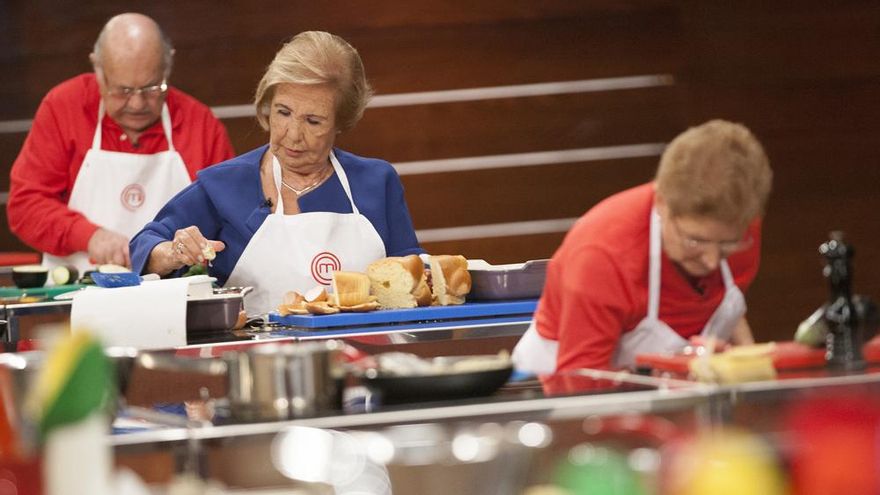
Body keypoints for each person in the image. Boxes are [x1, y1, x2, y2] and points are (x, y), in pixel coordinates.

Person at [129, 31, 423, 314]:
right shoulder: (224, 185)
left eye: (313, 121)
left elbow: (412, 283)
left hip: (366, 356)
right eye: (283, 112)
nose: (293, 135)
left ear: (341, 122)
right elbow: (144, 246)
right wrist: (173, 252)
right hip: (260, 359)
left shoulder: (377, 182)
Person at [512, 120, 773, 373]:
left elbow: (727, 310)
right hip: (559, 391)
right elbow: (582, 384)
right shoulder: (602, 255)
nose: (712, 261)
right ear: (662, 204)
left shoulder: (739, 224)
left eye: (727, 245)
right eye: (696, 241)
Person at [7, 13, 234, 273]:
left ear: (167, 68)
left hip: (174, 293)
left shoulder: (201, 124)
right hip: (77, 293)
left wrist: (178, 250)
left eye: (151, 89)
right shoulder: (63, 108)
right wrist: (87, 235)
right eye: (122, 90)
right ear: (97, 68)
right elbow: (26, 205)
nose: (136, 104)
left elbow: (225, 213)